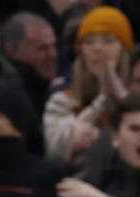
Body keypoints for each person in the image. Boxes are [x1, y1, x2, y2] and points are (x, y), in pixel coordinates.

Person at [43, 6, 133, 162]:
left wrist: (123, 98)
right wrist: (99, 103)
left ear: (124, 49)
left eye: (108, 40)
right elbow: (55, 150)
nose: (97, 48)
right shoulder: (61, 100)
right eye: (89, 41)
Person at [0, 12, 60, 121]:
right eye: (42, 48)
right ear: (12, 51)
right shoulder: (10, 97)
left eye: (53, 46)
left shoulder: (57, 88)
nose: (53, 55)